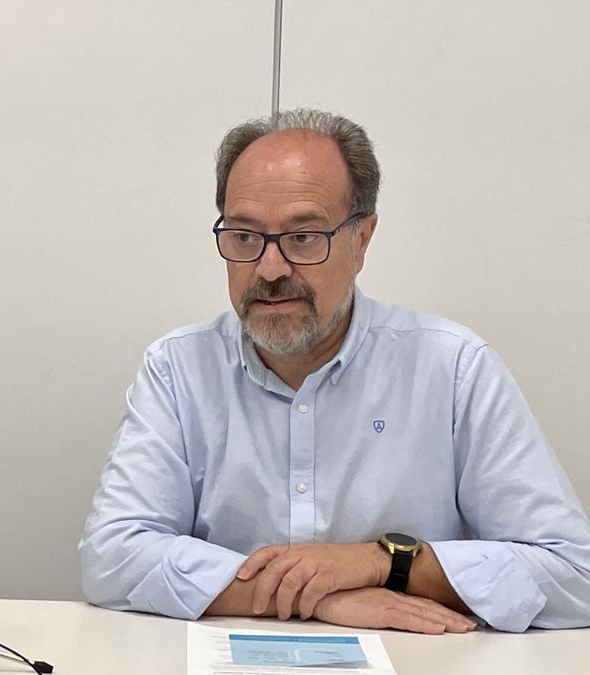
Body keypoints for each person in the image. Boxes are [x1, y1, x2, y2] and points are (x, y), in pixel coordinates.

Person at [79, 109, 590, 633]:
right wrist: (317, 596)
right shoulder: (178, 368)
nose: (270, 269)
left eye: (303, 238)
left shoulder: (453, 367)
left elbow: (574, 576)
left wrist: (381, 562)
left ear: (362, 239)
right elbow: (112, 557)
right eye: (244, 236)